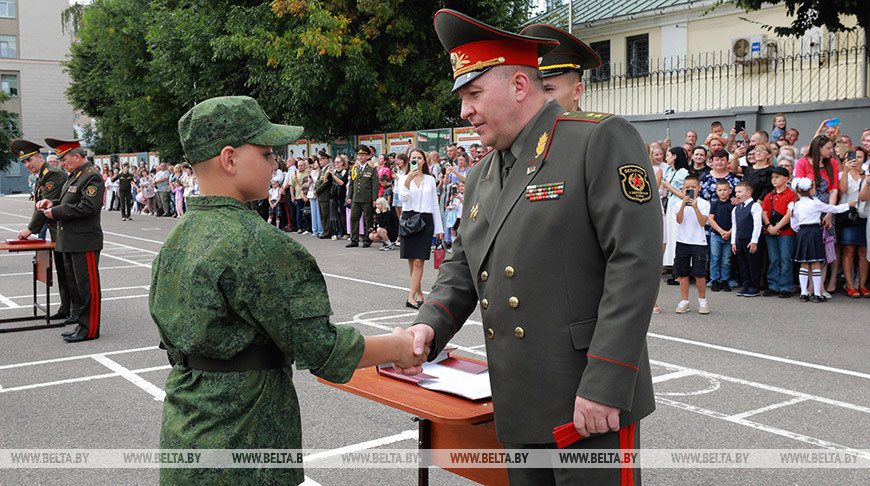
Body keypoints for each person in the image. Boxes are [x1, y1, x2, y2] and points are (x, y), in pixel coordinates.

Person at [397, 11, 660, 485]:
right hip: (519, 396)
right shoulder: (482, 173)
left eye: (474, 94)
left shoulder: (596, 139)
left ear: (520, 85)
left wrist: (606, 382)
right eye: (462, 98)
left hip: (586, 400)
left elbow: (635, 260)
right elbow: (462, 265)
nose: (464, 111)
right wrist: (427, 328)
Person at [151, 95, 425, 486]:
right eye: (265, 153)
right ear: (229, 160)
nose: (275, 163)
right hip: (247, 441)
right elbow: (321, 349)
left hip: (186, 430)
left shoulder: (179, 237)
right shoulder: (260, 244)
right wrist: (399, 347)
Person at [37, 138, 104, 342]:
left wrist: (56, 211)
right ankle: (81, 326)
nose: (61, 163)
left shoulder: (92, 177)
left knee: (87, 288)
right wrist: (53, 202)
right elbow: (70, 201)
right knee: (75, 286)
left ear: (78, 156)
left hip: (84, 241)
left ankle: (89, 330)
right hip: (70, 240)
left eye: (64, 159)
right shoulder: (75, 176)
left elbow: (89, 206)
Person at [11, 139, 72, 322]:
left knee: (68, 272)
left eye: (29, 160)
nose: (27, 165)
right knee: (62, 270)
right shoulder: (42, 175)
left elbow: (45, 207)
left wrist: (30, 229)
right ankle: (66, 308)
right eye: (24, 162)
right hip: (56, 230)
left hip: (64, 230)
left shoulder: (52, 174)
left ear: (40, 157)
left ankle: (75, 311)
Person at [789, 177, 855, 302]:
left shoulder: (795, 205)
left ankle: (804, 293)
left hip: (802, 233)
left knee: (803, 264)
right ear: (810, 190)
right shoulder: (816, 203)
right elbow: (833, 209)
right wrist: (848, 205)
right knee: (816, 264)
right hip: (814, 232)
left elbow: (794, 225)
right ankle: (817, 294)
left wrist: (801, 230)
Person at [794, 135, 840, 297]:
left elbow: (834, 189)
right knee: (810, 249)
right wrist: (810, 208)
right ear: (818, 148)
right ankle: (808, 288)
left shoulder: (832, 163)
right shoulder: (803, 163)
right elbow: (799, 188)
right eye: (828, 148)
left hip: (827, 207)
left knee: (825, 246)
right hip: (809, 211)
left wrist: (829, 213)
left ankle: (820, 287)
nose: (831, 151)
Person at [397, 147, 443, 309]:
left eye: (419, 158)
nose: (416, 160)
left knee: (419, 261)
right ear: (410, 161)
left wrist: (440, 229)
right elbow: (403, 198)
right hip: (409, 219)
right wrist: (408, 180)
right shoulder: (403, 178)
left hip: (425, 220)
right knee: (411, 260)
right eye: (413, 158)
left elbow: (435, 205)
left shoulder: (430, 180)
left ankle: (410, 297)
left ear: (425, 161)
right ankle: (419, 293)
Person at [674, 174, 710, 314]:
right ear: (683, 189)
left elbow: (702, 222)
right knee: (682, 273)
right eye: (687, 188)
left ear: (699, 188)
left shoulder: (704, 203)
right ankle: (685, 301)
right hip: (682, 241)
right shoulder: (679, 203)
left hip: (698, 242)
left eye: (693, 188)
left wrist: (695, 207)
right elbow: (679, 220)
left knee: (699, 274)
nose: (690, 190)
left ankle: (702, 300)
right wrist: (683, 205)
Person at [761, 167, 797, 297]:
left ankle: (786, 286)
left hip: (786, 232)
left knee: (785, 258)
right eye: (772, 177)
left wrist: (777, 227)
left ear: (786, 179)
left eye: (777, 177)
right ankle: (773, 285)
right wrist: (769, 226)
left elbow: (790, 213)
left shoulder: (791, 194)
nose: (774, 180)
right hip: (770, 230)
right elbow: (764, 212)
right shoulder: (769, 195)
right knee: (774, 258)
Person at [837, 148, 868, 296]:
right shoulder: (843, 173)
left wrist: (863, 176)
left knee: (864, 251)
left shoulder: (866, 174)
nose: (856, 160)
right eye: (854, 157)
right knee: (849, 250)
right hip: (848, 215)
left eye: (860, 157)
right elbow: (842, 190)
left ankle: (862, 284)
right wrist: (846, 170)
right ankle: (849, 284)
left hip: (864, 214)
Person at [731, 181, 763, 297]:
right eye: (736, 192)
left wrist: (754, 241)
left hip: (750, 239)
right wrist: (733, 242)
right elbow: (734, 226)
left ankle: (754, 286)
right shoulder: (736, 209)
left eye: (740, 192)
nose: (737, 194)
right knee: (742, 263)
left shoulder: (755, 206)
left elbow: (757, 224)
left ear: (748, 193)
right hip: (739, 239)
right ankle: (745, 285)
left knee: (752, 263)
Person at [346, 145, 379, 247]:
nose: (360, 157)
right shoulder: (355, 168)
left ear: (367, 156)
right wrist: (349, 197)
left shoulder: (372, 169)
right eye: (359, 155)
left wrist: (374, 199)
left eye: (363, 155)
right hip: (356, 198)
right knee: (353, 218)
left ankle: (367, 240)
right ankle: (354, 240)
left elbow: (375, 185)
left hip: (367, 199)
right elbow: (352, 183)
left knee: (368, 220)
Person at [708, 180, 734, 292]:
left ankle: (724, 280)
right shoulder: (714, 203)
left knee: (726, 259)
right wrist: (721, 231)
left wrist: (729, 233)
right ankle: (714, 280)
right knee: (714, 259)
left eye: (725, 190)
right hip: (716, 235)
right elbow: (711, 219)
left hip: (729, 236)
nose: (722, 192)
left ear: (730, 191)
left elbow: (736, 221)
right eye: (720, 190)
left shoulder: (733, 205)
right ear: (716, 192)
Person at [314, 153, 333, 239]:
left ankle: (327, 232)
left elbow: (326, 183)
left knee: (326, 214)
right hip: (320, 195)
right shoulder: (322, 170)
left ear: (326, 160)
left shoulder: (328, 169)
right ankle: (325, 231)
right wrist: (315, 189)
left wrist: (317, 191)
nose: (320, 162)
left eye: (321, 160)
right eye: (319, 160)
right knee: (322, 215)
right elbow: (318, 181)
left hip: (325, 195)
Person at [329, 155, 348, 240]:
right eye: (335, 162)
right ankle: (334, 233)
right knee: (333, 215)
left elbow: (341, 183)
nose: (336, 164)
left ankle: (345, 232)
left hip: (341, 196)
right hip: (333, 195)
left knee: (343, 215)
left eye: (338, 162)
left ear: (342, 163)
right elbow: (326, 181)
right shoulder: (334, 171)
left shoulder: (344, 172)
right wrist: (327, 173)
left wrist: (333, 175)